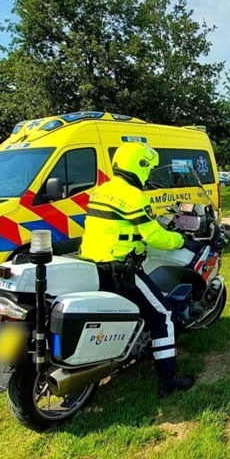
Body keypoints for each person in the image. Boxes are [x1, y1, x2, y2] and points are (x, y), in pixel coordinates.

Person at [80, 142, 196, 398]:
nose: (150, 174)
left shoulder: (100, 191)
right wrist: (180, 240)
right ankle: (168, 379)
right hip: (121, 269)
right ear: (140, 166)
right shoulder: (133, 197)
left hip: (93, 263)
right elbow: (154, 236)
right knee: (163, 314)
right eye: (149, 169)